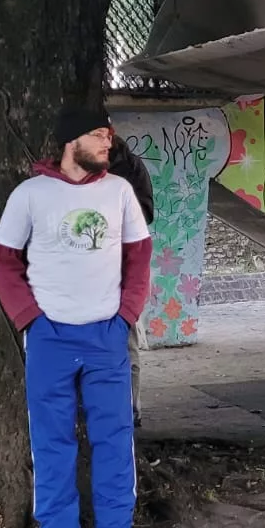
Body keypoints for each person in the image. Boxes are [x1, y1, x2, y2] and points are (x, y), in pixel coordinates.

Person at [0, 106, 153, 528]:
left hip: (105, 334)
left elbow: (139, 256)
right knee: (51, 443)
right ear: (70, 141)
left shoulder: (120, 192)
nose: (108, 143)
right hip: (50, 338)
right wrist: (29, 319)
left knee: (115, 437)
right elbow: (1, 260)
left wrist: (126, 314)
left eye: (108, 135)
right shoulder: (30, 195)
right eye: (98, 135)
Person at [107, 135, 154, 427]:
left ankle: (130, 406)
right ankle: (126, 406)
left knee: (126, 341)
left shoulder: (130, 168)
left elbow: (146, 211)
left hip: (121, 264)